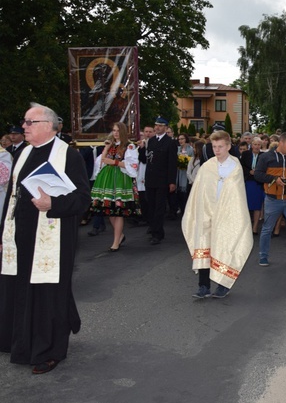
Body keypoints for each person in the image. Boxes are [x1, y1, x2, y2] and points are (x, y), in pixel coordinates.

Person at [0, 103, 91, 374]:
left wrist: (52, 203)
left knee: (47, 293)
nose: (23, 127)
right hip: (20, 235)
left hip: (52, 237)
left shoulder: (68, 156)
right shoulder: (23, 153)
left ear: (48, 126)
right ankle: (19, 342)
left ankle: (49, 351)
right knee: (19, 288)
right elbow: (12, 196)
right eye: (25, 122)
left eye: (29, 122)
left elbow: (82, 200)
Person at [182, 131, 253, 299]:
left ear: (228, 146)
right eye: (214, 147)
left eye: (220, 146)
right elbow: (199, 191)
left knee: (225, 246)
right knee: (204, 246)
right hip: (207, 213)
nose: (217, 150)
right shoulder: (207, 167)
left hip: (227, 214)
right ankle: (203, 286)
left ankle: (223, 284)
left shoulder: (235, 167)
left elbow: (236, 195)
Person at [254, 132, 286, 268]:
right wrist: (273, 179)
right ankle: (263, 256)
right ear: (281, 143)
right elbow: (258, 175)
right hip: (272, 199)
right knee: (267, 229)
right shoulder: (266, 157)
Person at [90, 122, 140, 252]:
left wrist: (114, 162)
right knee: (110, 210)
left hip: (120, 179)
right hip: (107, 179)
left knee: (118, 212)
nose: (115, 133)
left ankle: (116, 241)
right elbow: (101, 162)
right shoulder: (111, 144)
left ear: (122, 131)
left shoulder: (129, 146)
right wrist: (106, 148)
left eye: (118, 130)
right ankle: (120, 236)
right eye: (114, 130)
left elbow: (133, 166)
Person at [138, 117, 177, 245]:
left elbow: (172, 163)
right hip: (150, 178)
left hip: (162, 179)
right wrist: (142, 148)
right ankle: (153, 227)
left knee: (159, 207)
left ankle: (157, 233)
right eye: (156, 125)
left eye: (160, 126)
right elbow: (145, 160)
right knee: (151, 205)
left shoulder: (170, 142)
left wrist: (172, 181)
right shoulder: (151, 141)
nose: (157, 128)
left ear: (165, 127)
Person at [240, 137, 265, 234]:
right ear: (251, 145)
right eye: (255, 144)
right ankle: (245, 227)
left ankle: (255, 227)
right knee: (245, 205)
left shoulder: (263, 155)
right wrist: (249, 171)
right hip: (248, 182)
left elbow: (265, 168)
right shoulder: (246, 154)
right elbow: (241, 166)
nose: (257, 146)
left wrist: (258, 172)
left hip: (258, 183)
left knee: (257, 206)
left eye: (259, 145)